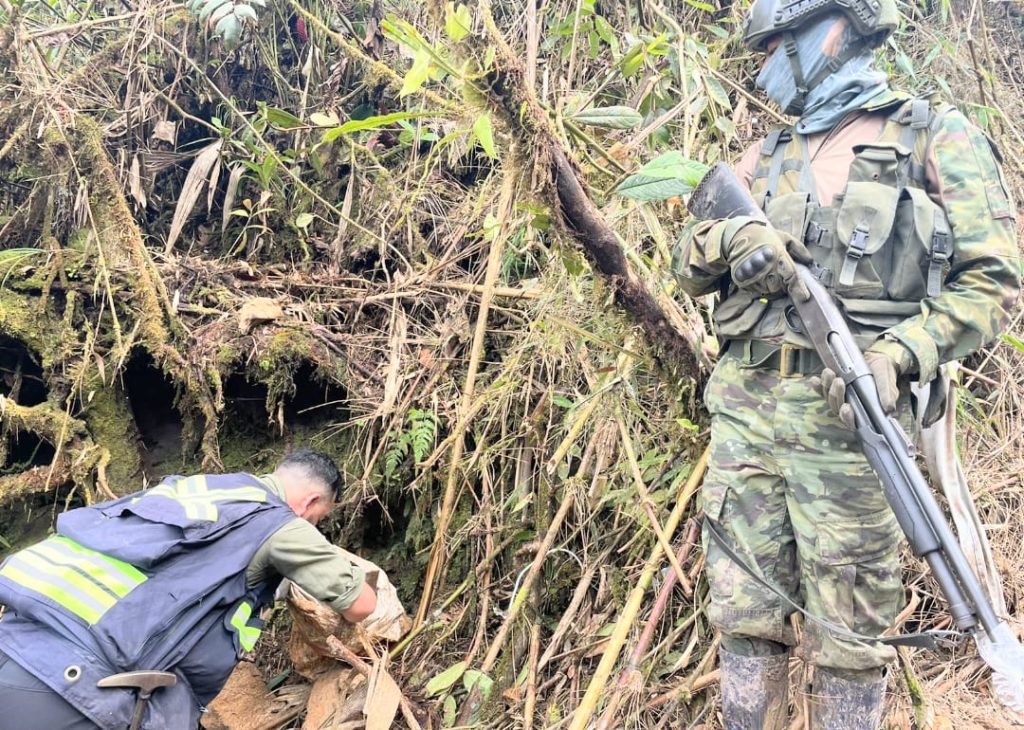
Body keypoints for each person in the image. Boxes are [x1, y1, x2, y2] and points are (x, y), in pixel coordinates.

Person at [672, 0, 1020, 727]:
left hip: (854, 432)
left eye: (778, 47)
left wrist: (900, 354)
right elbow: (689, 262)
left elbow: (994, 281)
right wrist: (733, 240)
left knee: (852, 637)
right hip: (746, 423)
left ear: (831, 30)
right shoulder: (764, 156)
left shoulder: (933, 137)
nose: (764, 68)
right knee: (743, 618)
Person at [0, 448, 378, 729]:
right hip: (81, 691)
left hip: (18, 641)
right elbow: (360, 604)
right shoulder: (281, 523)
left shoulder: (198, 489)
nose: (315, 525)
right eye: (318, 518)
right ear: (311, 502)